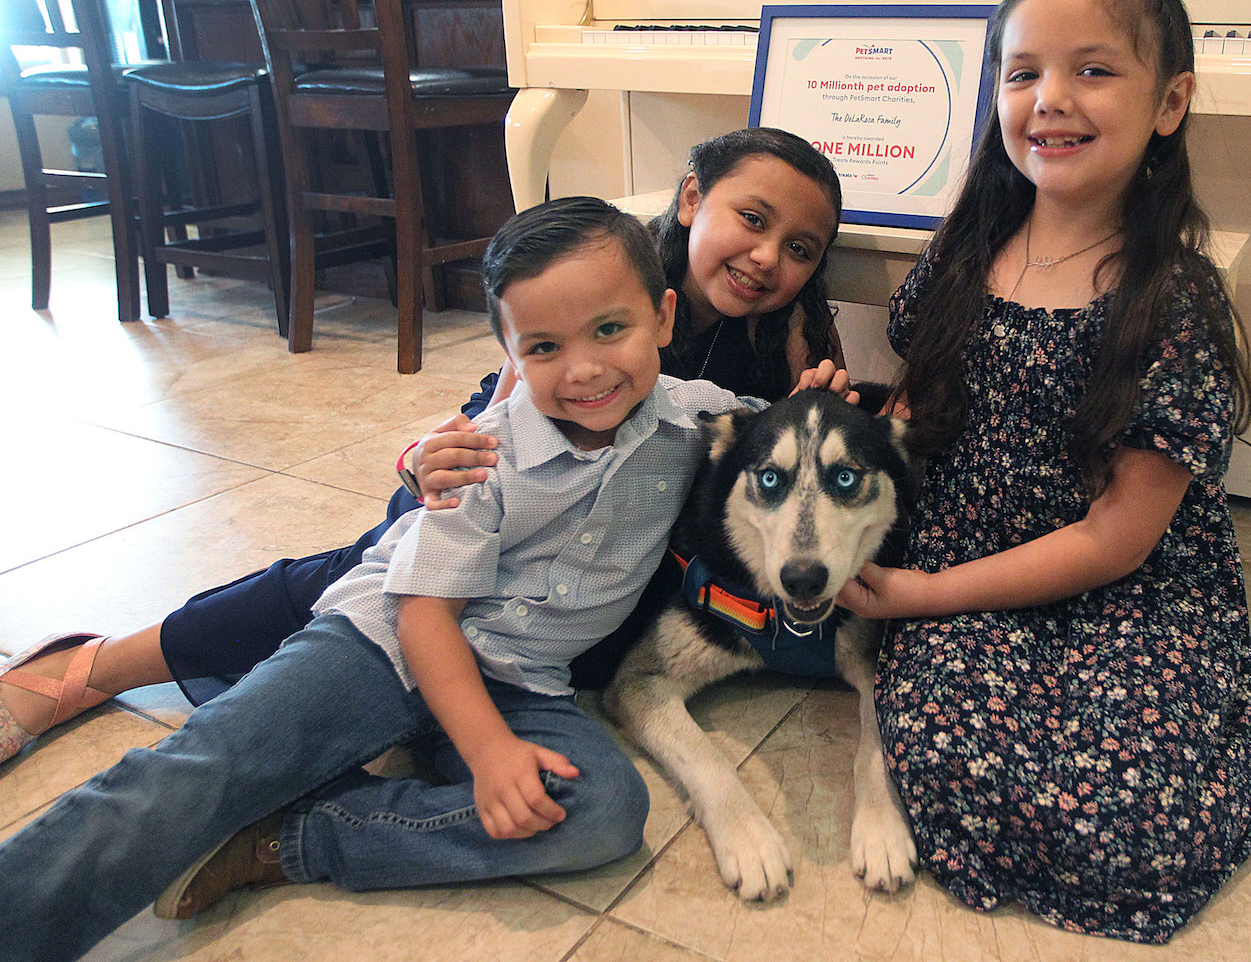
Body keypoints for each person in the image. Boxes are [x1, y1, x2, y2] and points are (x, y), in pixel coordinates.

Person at [0, 197, 789, 962]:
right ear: (509, 356)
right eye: (543, 347)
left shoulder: (696, 419)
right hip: (382, 646)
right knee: (203, 771)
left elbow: (777, 430)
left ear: (662, 318)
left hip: (524, 681)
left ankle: (295, 836)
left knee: (605, 812)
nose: (583, 370)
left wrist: (826, 403)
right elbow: (422, 619)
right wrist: (487, 754)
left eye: (609, 330)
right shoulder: (485, 453)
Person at [0, 126, 846, 762]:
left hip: (612, 565)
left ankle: (347, 716)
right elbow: (502, 402)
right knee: (377, 559)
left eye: (799, 249)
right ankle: (99, 663)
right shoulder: (608, 264)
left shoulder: (788, 343)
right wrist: (424, 455)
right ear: (694, 197)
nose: (767, 257)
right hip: (507, 489)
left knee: (576, 650)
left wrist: (813, 411)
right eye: (752, 218)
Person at [834, 0, 1251, 944]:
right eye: (1023, 73)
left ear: (1169, 101)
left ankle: (1238, 696)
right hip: (969, 553)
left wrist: (920, 599)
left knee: (1129, 818)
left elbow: (1119, 537)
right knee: (953, 761)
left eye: (1092, 70)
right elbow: (917, 414)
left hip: (1123, 580)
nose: (1050, 99)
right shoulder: (963, 253)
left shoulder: (1173, 300)